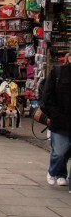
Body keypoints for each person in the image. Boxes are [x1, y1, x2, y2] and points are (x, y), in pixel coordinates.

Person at [41, 53, 71, 189]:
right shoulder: (57, 72)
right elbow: (47, 95)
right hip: (60, 121)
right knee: (59, 152)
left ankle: (62, 176)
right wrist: (54, 114)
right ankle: (53, 171)